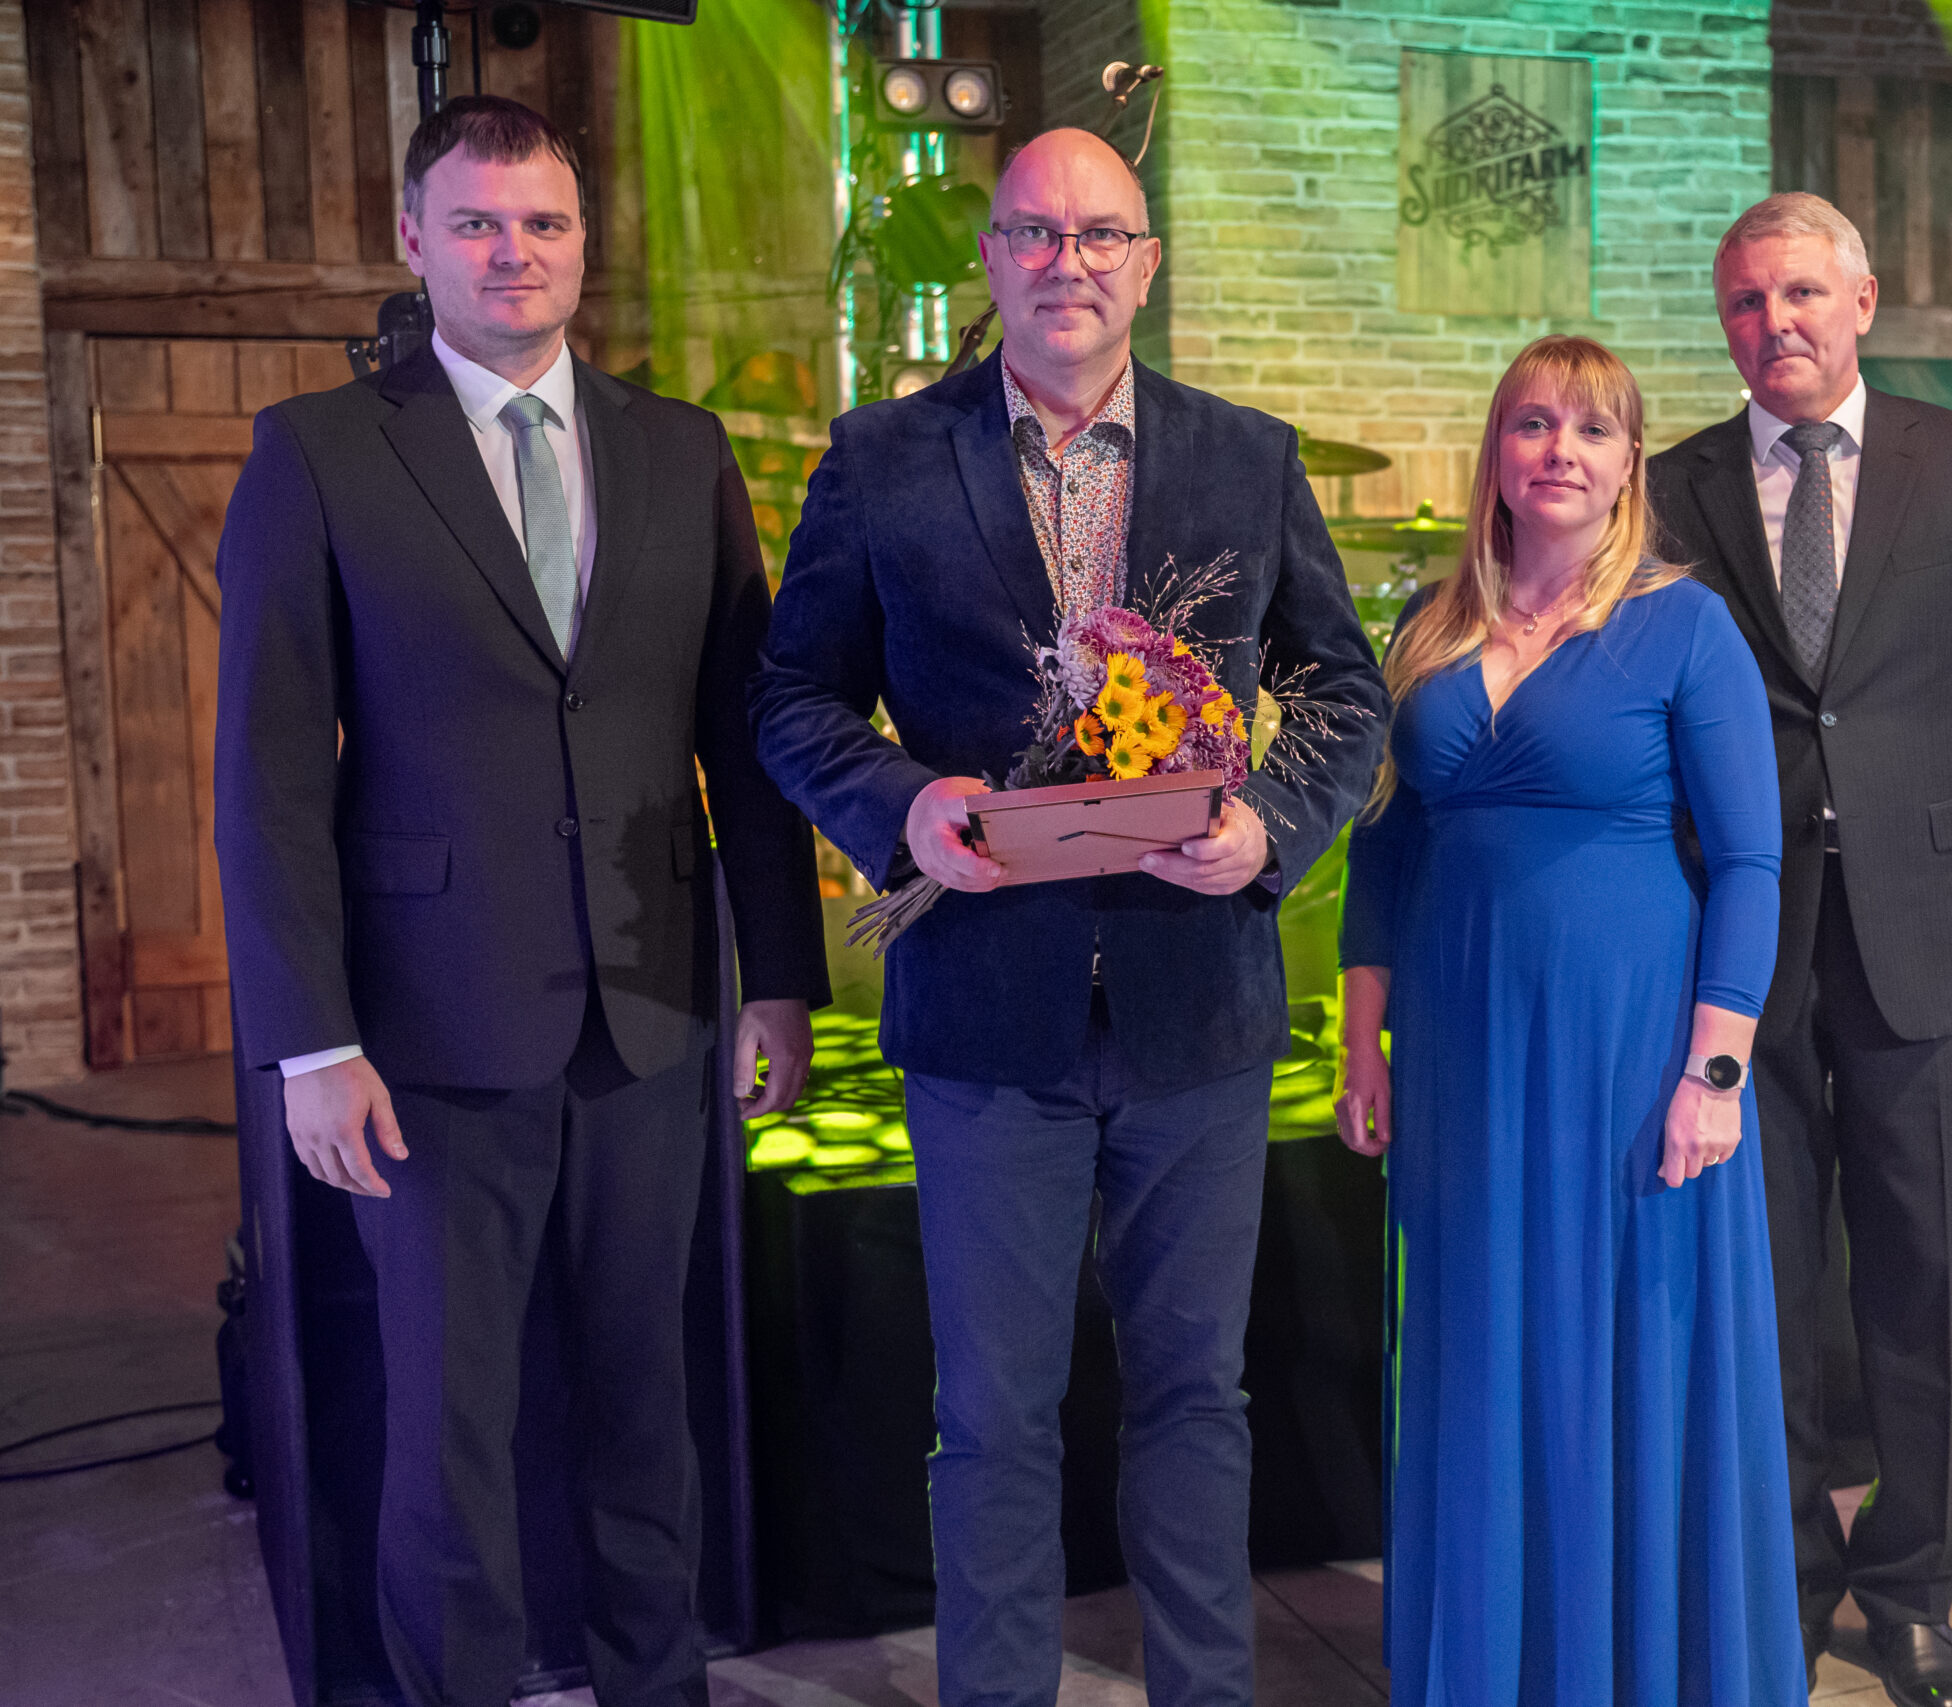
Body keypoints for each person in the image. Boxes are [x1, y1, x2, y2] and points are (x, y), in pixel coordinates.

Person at [748, 127, 1385, 1707]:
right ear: (992, 261)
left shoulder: (1246, 457)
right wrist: (900, 806)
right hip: (983, 1014)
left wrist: (1271, 826)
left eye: (1102, 235)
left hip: (1198, 1013)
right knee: (991, 1416)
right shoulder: (884, 457)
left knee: (1197, 1399)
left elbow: (1342, 690)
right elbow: (792, 696)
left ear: (1145, 265)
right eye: (1034, 233)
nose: (1068, 263)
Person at [213, 97, 830, 1707]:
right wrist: (308, 1044)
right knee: (451, 1430)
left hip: (653, 1010)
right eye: (477, 223)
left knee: (646, 1407)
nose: (513, 252)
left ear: (583, 244)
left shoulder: (680, 449)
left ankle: (657, 1688)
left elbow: (742, 735)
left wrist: (779, 976)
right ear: (413, 241)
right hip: (424, 1032)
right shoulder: (319, 452)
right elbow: (267, 774)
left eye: (542, 222)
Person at [1648, 193, 1952, 1705]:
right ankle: (1786, 1579)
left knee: (1928, 1276)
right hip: (1736, 937)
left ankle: (1910, 1591)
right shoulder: (1671, 488)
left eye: (1803, 294)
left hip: (1931, 926)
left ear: (1864, 302)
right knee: (1763, 1282)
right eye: (1748, 301)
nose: (1777, 322)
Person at [1333, 335, 1804, 1703]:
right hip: (1463, 1051)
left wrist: (1715, 1073)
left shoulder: (1684, 625)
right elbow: (1384, 853)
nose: (1559, 452)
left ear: (1628, 463)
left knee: (1624, 1351)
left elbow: (1752, 862)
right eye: (1533, 424)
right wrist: (1361, 1040)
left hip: (1629, 1048)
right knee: (1483, 1347)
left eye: (1592, 430)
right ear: (1496, 452)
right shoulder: (1429, 628)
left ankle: (1640, 1666)